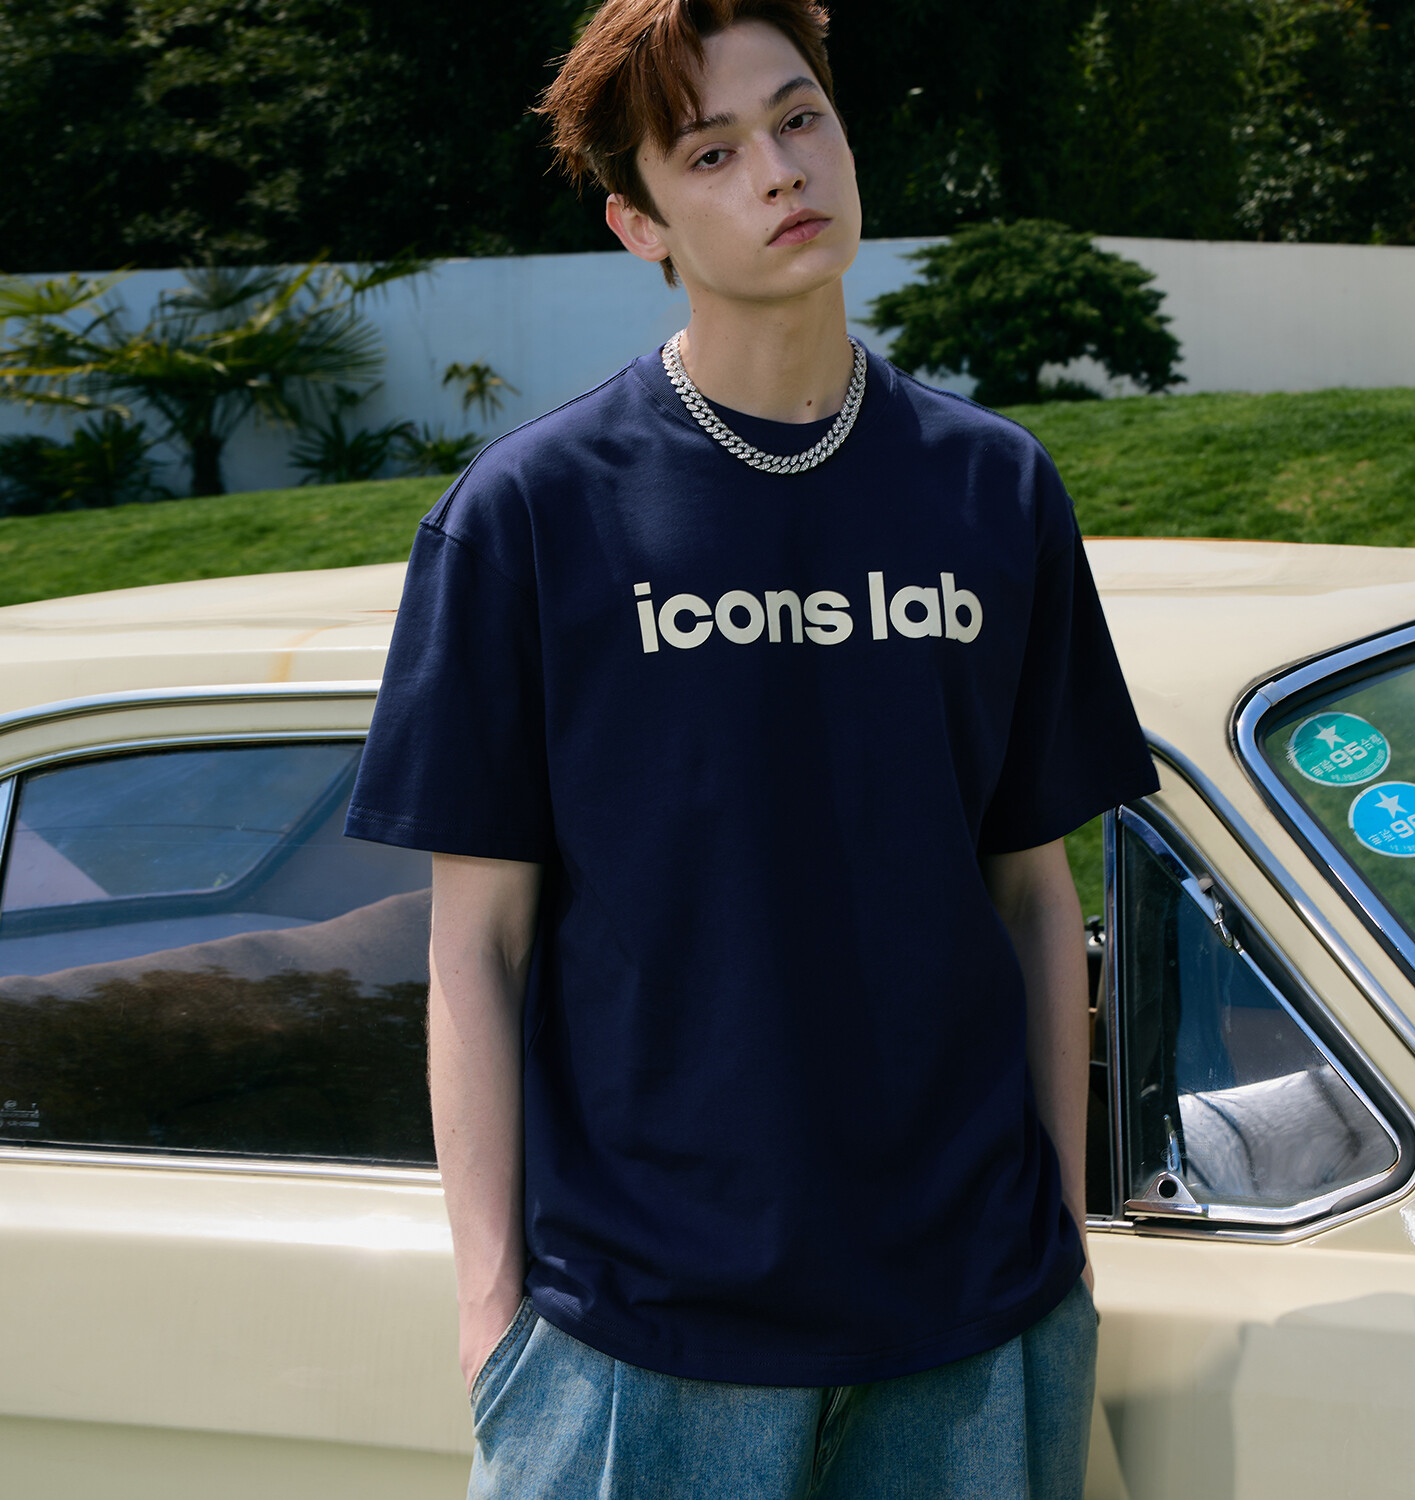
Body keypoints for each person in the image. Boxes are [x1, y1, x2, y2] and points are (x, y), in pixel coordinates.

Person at [345, 1, 1159, 1495]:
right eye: (711, 152)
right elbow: (478, 946)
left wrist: (1064, 1238)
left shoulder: (995, 489)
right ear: (638, 224)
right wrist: (492, 1313)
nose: (780, 170)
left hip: (977, 1324)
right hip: (639, 1343)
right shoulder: (529, 517)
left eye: (799, 119)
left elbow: (1037, 894)